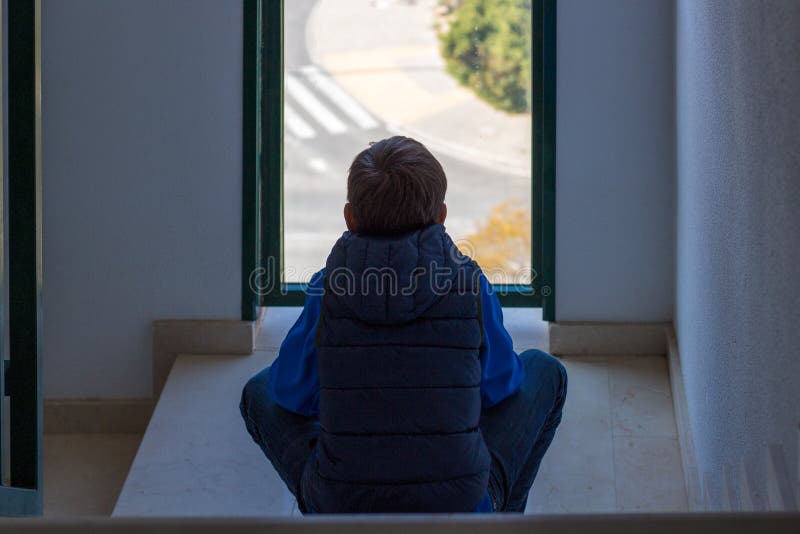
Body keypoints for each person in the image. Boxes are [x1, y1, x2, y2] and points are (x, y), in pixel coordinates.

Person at [240, 136, 567, 513]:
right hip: (458, 504)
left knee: (259, 390)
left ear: (350, 216)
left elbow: (291, 393)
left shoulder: (327, 287)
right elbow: (500, 387)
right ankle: (495, 524)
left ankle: (329, 519)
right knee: (545, 371)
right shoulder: (470, 284)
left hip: (343, 505)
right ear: (441, 215)